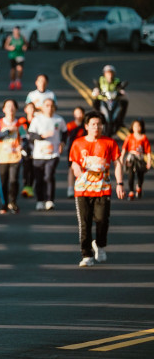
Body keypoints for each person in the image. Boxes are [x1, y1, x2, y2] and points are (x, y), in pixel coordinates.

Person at [69, 111, 125, 267]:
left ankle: (99, 245)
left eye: (99, 124)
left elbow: (117, 163)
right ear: (87, 126)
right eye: (93, 124)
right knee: (84, 223)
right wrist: (76, 169)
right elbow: (74, 162)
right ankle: (86, 254)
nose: (96, 127)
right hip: (82, 190)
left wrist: (120, 183)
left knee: (102, 220)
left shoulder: (109, 142)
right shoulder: (78, 143)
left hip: (102, 188)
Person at [28, 98, 67, 211]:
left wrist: (62, 143)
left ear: (54, 107)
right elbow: (31, 136)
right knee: (39, 179)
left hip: (53, 154)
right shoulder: (37, 119)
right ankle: (40, 201)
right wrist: (41, 136)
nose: (49, 108)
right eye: (47, 105)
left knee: (49, 176)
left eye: (51, 105)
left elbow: (65, 132)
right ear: (42, 107)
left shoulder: (59, 119)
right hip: (38, 154)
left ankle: (49, 200)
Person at [0, 99, 27, 214]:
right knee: (3, 182)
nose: (10, 109)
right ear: (3, 109)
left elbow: (25, 139)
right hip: (2, 157)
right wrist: (7, 131)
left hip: (15, 157)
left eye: (12, 106)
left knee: (14, 180)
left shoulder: (19, 124)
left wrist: (22, 146)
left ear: (16, 109)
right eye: (8, 106)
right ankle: (4, 204)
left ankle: (13, 202)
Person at [120, 118, 151, 200]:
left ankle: (139, 186)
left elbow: (148, 151)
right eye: (135, 126)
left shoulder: (144, 138)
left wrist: (149, 161)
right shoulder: (129, 137)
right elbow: (124, 148)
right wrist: (121, 158)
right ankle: (131, 191)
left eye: (138, 126)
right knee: (131, 175)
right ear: (132, 127)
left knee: (140, 175)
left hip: (140, 158)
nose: (137, 128)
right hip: (131, 158)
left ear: (142, 127)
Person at [65, 107, 86, 198]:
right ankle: (70, 188)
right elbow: (65, 136)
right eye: (76, 113)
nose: (79, 115)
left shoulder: (86, 126)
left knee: (83, 168)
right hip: (72, 149)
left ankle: (82, 187)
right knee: (71, 168)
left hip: (84, 150)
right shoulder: (70, 125)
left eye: (80, 113)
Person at [19, 102, 36, 198]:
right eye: (29, 108)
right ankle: (25, 187)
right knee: (26, 168)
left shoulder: (37, 120)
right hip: (25, 148)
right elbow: (22, 134)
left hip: (35, 148)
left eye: (33, 108)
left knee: (33, 169)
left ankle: (30, 187)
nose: (31, 110)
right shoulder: (22, 121)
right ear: (25, 110)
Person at [4, 26, 27, 90]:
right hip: (12, 55)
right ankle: (12, 81)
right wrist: (10, 47)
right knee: (13, 70)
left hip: (20, 55)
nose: (16, 32)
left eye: (17, 31)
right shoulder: (10, 38)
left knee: (20, 69)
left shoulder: (22, 37)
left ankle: (18, 80)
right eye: (15, 31)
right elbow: (6, 46)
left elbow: (26, 44)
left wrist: (25, 47)